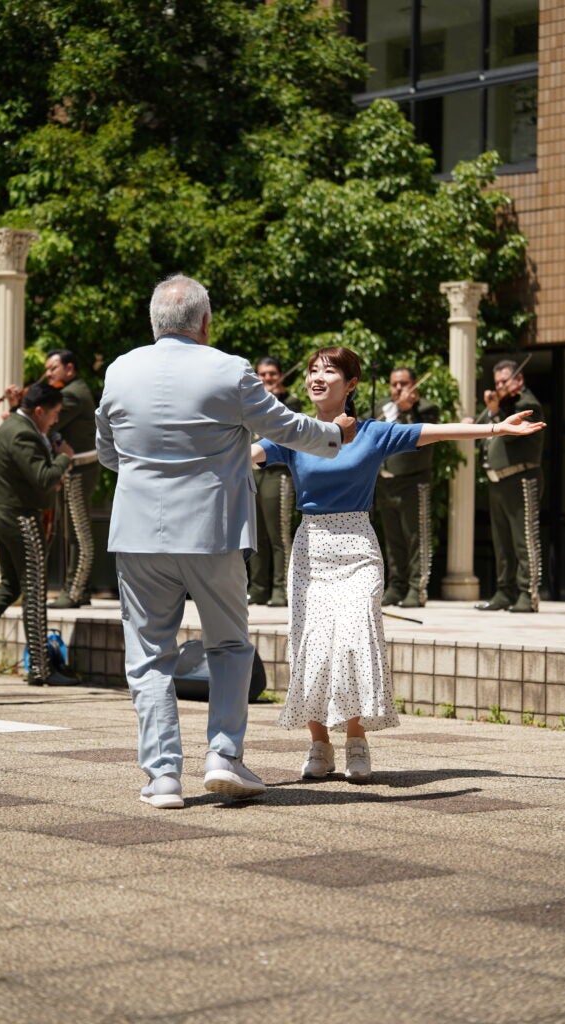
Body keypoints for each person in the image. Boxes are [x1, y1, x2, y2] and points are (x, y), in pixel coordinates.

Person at [95, 274, 355, 810]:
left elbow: (106, 451)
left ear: (154, 322)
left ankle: (163, 778)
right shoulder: (228, 370)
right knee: (230, 647)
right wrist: (337, 434)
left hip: (138, 534)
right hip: (212, 531)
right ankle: (224, 756)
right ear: (205, 323)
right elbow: (285, 428)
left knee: (148, 658)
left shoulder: (119, 370)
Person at [251, 346, 546, 782]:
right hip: (311, 548)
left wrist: (495, 427)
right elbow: (247, 454)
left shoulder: (373, 433)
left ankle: (356, 740)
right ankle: (319, 745)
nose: (316, 377)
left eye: (328, 371)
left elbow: (436, 431)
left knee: (355, 641)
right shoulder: (295, 432)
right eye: (313, 370)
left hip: (358, 547)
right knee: (311, 646)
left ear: (351, 384)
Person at [0, 383, 78, 687]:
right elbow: (43, 477)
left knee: (11, 585)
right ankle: (41, 669)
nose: (56, 420)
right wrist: (64, 458)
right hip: (18, 517)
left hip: (2, 513)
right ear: (39, 411)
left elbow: (30, 476)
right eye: (55, 414)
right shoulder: (22, 432)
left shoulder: (14, 427)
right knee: (34, 589)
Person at [474, 359, 545, 613]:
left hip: (521, 478)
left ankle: (528, 594)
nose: (500, 387)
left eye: (505, 381)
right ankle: (505, 592)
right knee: (501, 542)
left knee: (524, 539)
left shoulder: (527, 405)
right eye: (497, 383)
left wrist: (496, 412)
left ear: (519, 380)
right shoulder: (501, 408)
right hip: (498, 481)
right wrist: (490, 412)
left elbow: (509, 432)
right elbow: (479, 430)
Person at [372, 366, 439, 608]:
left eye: (403, 384)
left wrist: (407, 411)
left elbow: (421, 436)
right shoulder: (382, 406)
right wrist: (391, 412)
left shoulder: (426, 409)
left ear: (414, 384)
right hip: (385, 481)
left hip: (413, 480)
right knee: (393, 539)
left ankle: (416, 588)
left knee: (416, 537)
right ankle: (396, 585)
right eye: (394, 384)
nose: (398, 388)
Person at [44, 349, 99, 608]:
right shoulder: (71, 390)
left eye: (53, 368)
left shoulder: (72, 395)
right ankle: (81, 589)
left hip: (79, 470)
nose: (48, 374)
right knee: (71, 531)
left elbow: (46, 421)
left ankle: (74, 592)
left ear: (69, 368)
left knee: (78, 533)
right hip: (75, 469)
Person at [248, 356, 301, 607]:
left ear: (280, 376)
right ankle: (258, 588)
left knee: (278, 533)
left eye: (271, 374)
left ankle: (282, 589)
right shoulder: (252, 401)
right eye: (262, 374)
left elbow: (291, 428)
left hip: (277, 472)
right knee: (255, 535)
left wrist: (276, 399)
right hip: (253, 472)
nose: (267, 378)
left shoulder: (290, 402)